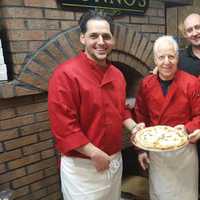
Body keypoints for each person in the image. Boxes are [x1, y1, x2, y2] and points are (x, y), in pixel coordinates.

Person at [48, 10, 144, 200]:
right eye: (94, 36)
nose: (101, 42)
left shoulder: (117, 74)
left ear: (113, 40)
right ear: (82, 38)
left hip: (114, 159)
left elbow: (121, 109)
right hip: (82, 166)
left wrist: (134, 127)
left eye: (106, 36)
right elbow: (64, 126)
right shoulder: (65, 74)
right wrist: (93, 153)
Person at [134, 35, 200, 200]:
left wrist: (187, 128)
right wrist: (141, 150)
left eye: (171, 56)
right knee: (160, 193)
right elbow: (140, 116)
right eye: (161, 57)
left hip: (184, 152)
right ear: (155, 59)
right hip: (156, 152)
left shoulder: (191, 83)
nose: (166, 62)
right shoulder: (146, 83)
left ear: (177, 58)